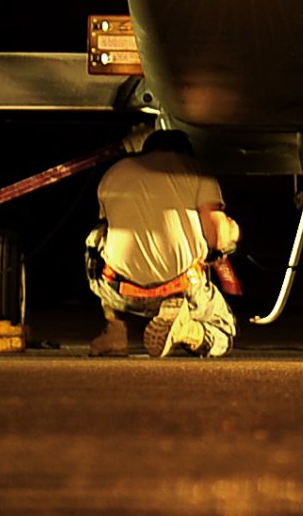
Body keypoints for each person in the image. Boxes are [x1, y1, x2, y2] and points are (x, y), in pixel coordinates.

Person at [88, 128, 239, 357]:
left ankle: (115, 330)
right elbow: (217, 238)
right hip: (180, 286)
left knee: (95, 241)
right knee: (225, 335)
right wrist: (233, 232)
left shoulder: (114, 172)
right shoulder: (197, 171)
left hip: (121, 289)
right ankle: (188, 330)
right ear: (186, 152)